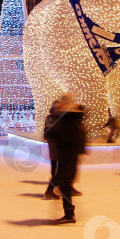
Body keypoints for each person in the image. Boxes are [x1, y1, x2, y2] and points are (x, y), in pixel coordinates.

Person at [44, 92, 86, 224]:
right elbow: (81, 140)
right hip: (70, 155)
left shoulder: (66, 122)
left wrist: (53, 135)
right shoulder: (76, 122)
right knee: (65, 183)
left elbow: (56, 136)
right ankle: (68, 212)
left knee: (64, 184)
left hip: (66, 155)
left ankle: (69, 214)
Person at [43, 98, 62, 199]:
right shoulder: (51, 117)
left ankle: (56, 186)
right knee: (55, 166)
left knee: (59, 167)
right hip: (55, 144)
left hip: (59, 144)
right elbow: (47, 130)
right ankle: (51, 189)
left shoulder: (60, 116)